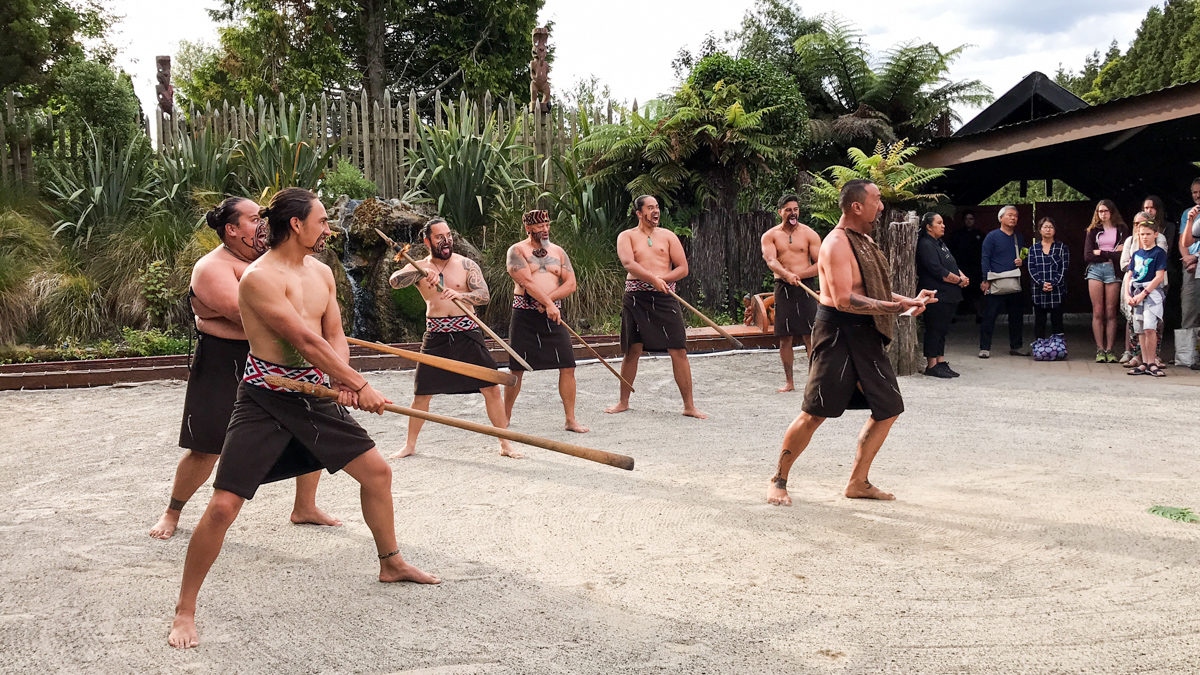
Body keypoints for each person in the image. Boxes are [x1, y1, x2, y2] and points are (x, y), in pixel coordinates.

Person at [168, 188, 439, 650]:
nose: (329, 229)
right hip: (266, 397)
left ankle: (390, 561)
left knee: (377, 472)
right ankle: (184, 610)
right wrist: (357, 385)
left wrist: (343, 383)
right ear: (296, 225)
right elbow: (303, 340)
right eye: (322, 221)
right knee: (224, 506)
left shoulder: (321, 272)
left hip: (314, 394)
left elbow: (332, 335)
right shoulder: (258, 278)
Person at [150, 197, 339, 540]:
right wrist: (299, 326)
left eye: (263, 217)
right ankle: (172, 510)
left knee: (310, 428)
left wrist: (213, 318)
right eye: (255, 219)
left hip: (282, 358)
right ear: (232, 230)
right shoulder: (212, 267)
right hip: (227, 359)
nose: (263, 224)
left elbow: (288, 318)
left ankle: (305, 507)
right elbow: (254, 319)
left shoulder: (276, 262)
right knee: (207, 445)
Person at [766, 180, 934, 506]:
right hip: (837, 333)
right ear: (857, 206)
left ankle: (858, 482)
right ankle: (778, 479)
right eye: (877, 200)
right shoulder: (836, 245)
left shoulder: (864, 241)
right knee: (815, 412)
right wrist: (893, 307)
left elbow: (873, 291)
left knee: (888, 409)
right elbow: (844, 299)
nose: (881, 206)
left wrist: (908, 301)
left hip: (865, 334)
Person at [389, 218, 520, 458]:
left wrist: (461, 295)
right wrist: (421, 272)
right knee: (421, 394)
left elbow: (484, 295)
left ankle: (505, 443)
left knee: (491, 387)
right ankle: (409, 445)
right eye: (439, 237)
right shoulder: (417, 267)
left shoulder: (466, 264)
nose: (446, 240)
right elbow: (394, 282)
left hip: (467, 332)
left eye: (448, 235)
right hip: (436, 335)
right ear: (427, 240)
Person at [605, 195, 707, 418]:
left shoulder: (668, 236)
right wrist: (653, 279)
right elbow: (628, 263)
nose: (655, 211)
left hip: (665, 296)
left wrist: (665, 279)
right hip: (636, 296)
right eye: (650, 208)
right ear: (639, 213)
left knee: (678, 348)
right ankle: (623, 401)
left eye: (657, 207)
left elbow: (683, 268)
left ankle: (689, 405)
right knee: (633, 349)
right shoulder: (627, 236)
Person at [503, 209, 588, 433]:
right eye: (540, 226)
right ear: (528, 228)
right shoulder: (517, 250)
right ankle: (505, 416)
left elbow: (571, 283)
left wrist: (550, 302)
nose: (545, 229)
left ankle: (570, 419)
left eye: (547, 225)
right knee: (516, 368)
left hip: (553, 315)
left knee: (568, 365)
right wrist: (547, 304)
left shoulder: (558, 252)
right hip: (525, 315)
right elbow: (526, 282)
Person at [760, 193, 821, 392]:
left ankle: (813, 380)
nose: (792, 213)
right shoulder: (770, 235)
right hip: (783, 286)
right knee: (785, 336)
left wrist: (800, 275)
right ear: (780, 212)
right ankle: (790, 382)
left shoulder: (809, 234)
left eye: (795, 209)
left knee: (809, 334)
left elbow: (821, 263)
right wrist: (786, 274)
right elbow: (771, 261)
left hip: (806, 285)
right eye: (788, 210)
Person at [915, 212, 967, 378]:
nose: (943, 225)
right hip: (936, 294)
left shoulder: (940, 243)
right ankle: (931, 364)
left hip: (950, 294)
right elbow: (937, 270)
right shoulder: (925, 244)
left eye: (943, 222)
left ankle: (940, 361)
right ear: (929, 227)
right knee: (934, 329)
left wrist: (962, 276)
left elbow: (951, 263)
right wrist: (958, 280)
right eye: (939, 223)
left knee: (943, 330)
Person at [1119, 207, 1168, 368]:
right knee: (1138, 327)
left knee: (1151, 327)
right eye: (1138, 228)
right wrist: (1127, 294)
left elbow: (1159, 274)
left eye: (1146, 231)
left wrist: (1144, 293)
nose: (1143, 235)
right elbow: (1127, 268)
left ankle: (1152, 360)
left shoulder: (1159, 248)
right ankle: (1141, 359)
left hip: (1152, 291)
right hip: (1134, 289)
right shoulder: (1134, 249)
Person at [1083, 199, 1129, 362]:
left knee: (1111, 311)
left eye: (1105, 211)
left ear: (1112, 212)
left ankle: (1110, 349)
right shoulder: (1092, 230)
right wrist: (1111, 253)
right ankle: (1099, 349)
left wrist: (1101, 252)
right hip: (1095, 270)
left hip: (1113, 271)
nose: (1102, 214)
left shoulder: (1122, 229)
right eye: (1099, 211)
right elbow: (1088, 255)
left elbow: (1123, 255)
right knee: (1098, 311)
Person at [978, 205, 1027, 358]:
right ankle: (985, 348)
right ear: (1001, 218)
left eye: (1016, 216)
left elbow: (1023, 255)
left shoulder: (1018, 237)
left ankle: (1016, 346)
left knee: (1016, 316)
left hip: (1013, 281)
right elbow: (985, 258)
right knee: (989, 316)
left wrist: (1021, 261)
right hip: (995, 281)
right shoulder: (992, 236)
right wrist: (985, 279)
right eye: (1010, 215)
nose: (1013, 218)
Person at [1027, 216, 1069, 340]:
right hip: (1039, 291)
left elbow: (1064, 268)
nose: (1048, 230)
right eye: (1045, 227)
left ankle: (1058, 349)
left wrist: (1053, 283)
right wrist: (1041, 283)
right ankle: (1040, 349)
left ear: (1055, 230)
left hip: (1057, 290)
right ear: (1040, 230)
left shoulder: (1062, 248)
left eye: (1051, 227)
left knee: (1057, 321)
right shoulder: (1033, 249)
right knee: (1040, 321)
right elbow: (1031, 269)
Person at [947, 210, 984, 319]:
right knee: (957, 292)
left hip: (976, 269)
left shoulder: (980, 235)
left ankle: (979, 314)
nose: (969, 221)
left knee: (976, 293)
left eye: (971, 219)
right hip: (960, 268)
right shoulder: (956, 235)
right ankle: (953, 316)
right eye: (967, 219)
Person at [1179, 178, 1200, 331]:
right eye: (1194, 192)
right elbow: (1184, 241)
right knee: (1188, 309)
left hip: (1196, 260)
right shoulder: (1188, 213)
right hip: (1190, 267)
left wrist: (1196, 257)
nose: (1197, 195)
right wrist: (1187, 259)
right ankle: (1186, 354)